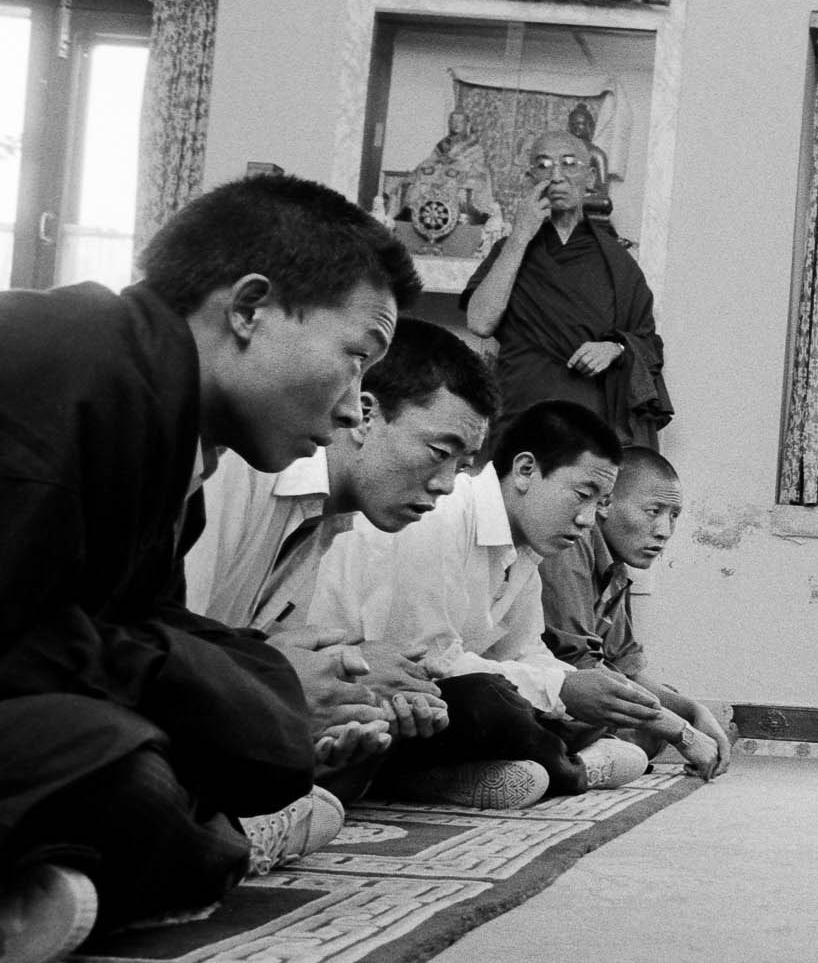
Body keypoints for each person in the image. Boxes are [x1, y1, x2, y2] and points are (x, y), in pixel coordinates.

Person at [0, 172, 421, 963]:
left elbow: (131, 632)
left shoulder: (164, 429)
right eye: (354, 359)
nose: (351, 412)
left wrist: (265, 692)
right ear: (249, 307)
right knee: (121, 768)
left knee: (211, 758)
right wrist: (257, 688)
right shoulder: (78, 366)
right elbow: (26, 645)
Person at [183, 318, 503, 798]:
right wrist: (309, 675)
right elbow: (164, 647)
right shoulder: (239, 467)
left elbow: (260, 651)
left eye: (461, 467)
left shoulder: (330, 520)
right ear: (367, 414)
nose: (444, 485)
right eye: (439, 452)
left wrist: (347, 692)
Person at [311, 400, 654, 809]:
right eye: (582, 494)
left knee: (570, 707)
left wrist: (573, 691)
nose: (587, 519)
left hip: (428, 701)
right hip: (369, 693)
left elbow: (526, 650)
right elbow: (424, 662)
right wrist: (560, 689)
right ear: (526, 470)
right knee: (487, 703)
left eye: (599, 503)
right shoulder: (438, 514)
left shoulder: (528, 547)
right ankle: (571, 768)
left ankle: (466, 775)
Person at [461, 129, 668, 447]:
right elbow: (479, 322)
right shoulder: (510, 248)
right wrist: (520, 235)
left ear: (590, 176)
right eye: (543, 165)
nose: (556, 176)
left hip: (592, 420)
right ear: (531, 178)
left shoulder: (616, 261)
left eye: (569, 164)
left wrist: (614, 348)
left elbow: (647, 342)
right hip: (521, 410)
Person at [540, 447, 732, 779]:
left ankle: (587, 758)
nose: (664, 530)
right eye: (653, 511)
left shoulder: (615, 570)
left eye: (674, 515)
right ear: (604, 504)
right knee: (624, 713)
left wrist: (694, 711)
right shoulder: (570, 545)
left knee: (652, 711)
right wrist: (681, 731)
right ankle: (569, 766)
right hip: (539, 692)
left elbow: (626, 670)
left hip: (577, 701)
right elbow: (583, 668)